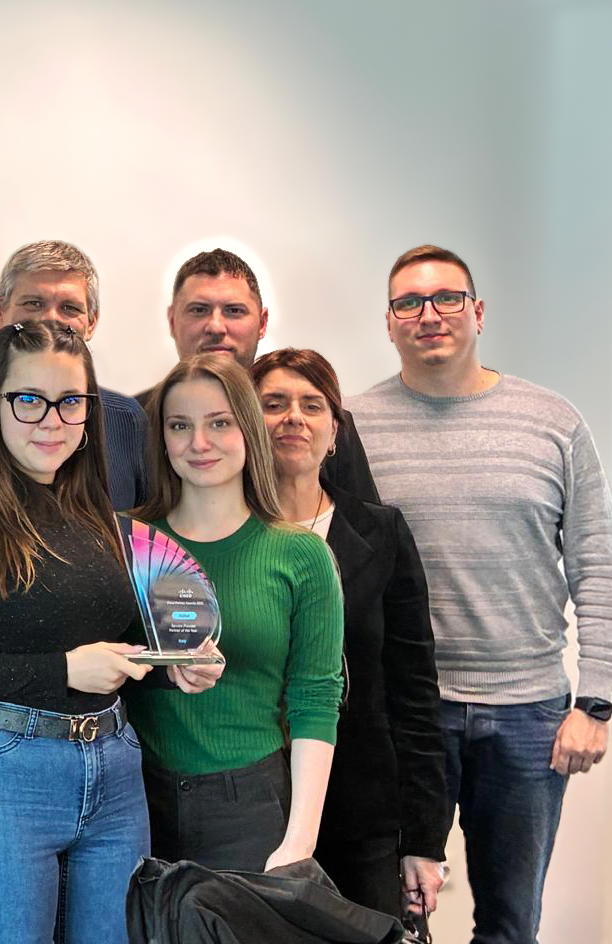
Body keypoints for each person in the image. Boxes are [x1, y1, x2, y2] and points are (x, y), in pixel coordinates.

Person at [0, 321, 221, 942]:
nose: (51, 420)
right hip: (6, 777)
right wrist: (61, 670)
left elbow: (115, 654)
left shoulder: (102, 519)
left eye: (70, 402)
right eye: (29, 400)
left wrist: (175, 668)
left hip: (116, 773)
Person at [349, 245, 612, 943]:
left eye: (445, 298)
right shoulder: (352, 428)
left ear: (477, 311)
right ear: (388, 321)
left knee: (509, 919)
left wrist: (594, 701)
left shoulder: (550, 423)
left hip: (527, 716)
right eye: (408, 302)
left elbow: (596, 565)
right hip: (406, 712)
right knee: (393, 917)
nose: (428, 314)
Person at [252, 348, 451, 919]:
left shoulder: (381, 533)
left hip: (361, 812)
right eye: (273, 403)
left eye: (312, 405)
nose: (294, 417)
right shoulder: (221, 533)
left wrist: (422, 839)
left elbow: (414, 692)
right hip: (248, 805)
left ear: (335, 430)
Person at [127, 354, 345, 873]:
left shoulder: (302, 555)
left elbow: (315, 698)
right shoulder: (127, 544)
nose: (199, 443)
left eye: (220, 423)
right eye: (180, 425)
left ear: (249, 429)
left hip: (249, 806)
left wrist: (299, 843)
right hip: (133, 801)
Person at [140, 248, 378, 502]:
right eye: (199, 310)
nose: (216, 327)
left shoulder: (317, 422)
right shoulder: (133, 420)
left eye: (234, 311)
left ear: (262, 323)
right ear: (173, 321)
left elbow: (365, 530)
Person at [0, 241, 149, 509]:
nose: (50, 319)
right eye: (33, 303)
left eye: (70, 308)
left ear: (91, 322)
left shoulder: (127, 420)